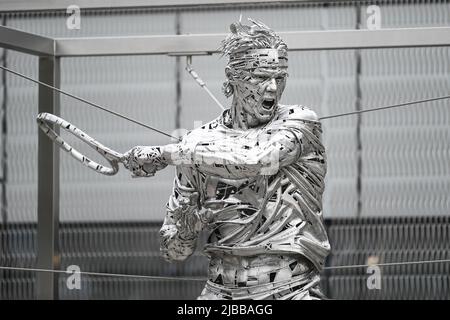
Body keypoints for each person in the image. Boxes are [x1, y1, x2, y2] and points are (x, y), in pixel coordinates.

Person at [123, 18, 330, 300]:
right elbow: (172, 251)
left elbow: (257, 160)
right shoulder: (198, 143)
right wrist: (189, 226)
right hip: (220, 291)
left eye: (280, 77)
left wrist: (166, 153)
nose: (272, 88)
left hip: (290, 291)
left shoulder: (300, 122)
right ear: (232, 76)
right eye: (260, 77)